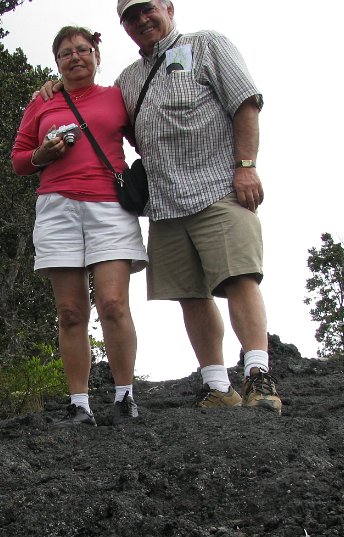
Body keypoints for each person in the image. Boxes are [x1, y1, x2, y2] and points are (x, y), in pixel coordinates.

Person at [115, 0, 281, 413]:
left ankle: (259, 376)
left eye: (147, 9)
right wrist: (56, 89)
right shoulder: (128, 80)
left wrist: (246, 167)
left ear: (169, 8)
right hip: (166, 205)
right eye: (130, 16)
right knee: (189, 293)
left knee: (241, 277)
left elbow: (245, 102)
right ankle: (218, 387)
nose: (141, 20)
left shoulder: (207, 45)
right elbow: (95, 110)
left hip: (218, 187)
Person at [11, 26, 149, 426]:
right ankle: (79, 404)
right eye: (66, 52)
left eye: (83, 50)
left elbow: (146, 140)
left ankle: (125, 396)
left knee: (112, 304)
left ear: (96, 55)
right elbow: (19, 159)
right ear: (56, 62)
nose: (76, 57)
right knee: (71, 312)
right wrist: (42, 153)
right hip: (57, 208)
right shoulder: (42, 102)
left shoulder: (116, 98)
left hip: (109, 206)